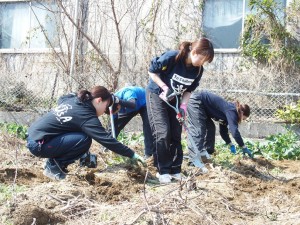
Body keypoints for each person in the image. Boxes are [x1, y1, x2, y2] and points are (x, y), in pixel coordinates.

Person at [26, 86, 145, 181]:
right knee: (84, 140)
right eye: (106, 106)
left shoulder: (75, 100)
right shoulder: (87, 117)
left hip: (34, 136)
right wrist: (131, 154)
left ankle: (58, 162)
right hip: (39, 144)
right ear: (99, 100)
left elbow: (61, 99)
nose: (105, 111)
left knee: (79, 132)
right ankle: (53, 167)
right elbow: (106, 140)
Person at [146, 38, 214, 183]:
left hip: (175, 100)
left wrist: (183, 106)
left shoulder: (197, 70)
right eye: (202, 59)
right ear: (194, 52)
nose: (203, 63)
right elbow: (152, 71)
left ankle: (175, 170)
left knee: (176, 133)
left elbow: (189, 90)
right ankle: (162, 170)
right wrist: (164, 88)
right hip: (157, 95)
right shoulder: (173, 57)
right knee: (163, 132)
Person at [186, 90, 253, 172]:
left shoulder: (228, 113)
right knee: (198, 130)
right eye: (243, 118)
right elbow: (234, 132)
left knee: (210, 128)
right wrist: (243, 146)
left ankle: (205, 154)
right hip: (197, 101)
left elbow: (223, 131)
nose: (241, 120)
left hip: (203, 108)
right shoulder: (232, 111)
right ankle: (193, 160)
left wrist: (230, 143)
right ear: (242, 113)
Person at [110, 86, 154, 158]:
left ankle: (149, 154)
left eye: (116, 112)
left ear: (118, 106)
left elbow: (132, 104)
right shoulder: (111, 107)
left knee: (147, 127)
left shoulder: (128, 92)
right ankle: (106, 149)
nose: (115, 114)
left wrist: (119, 101)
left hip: (144, 103)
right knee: (115, 127)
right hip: (128, 107)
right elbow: (113, 127)